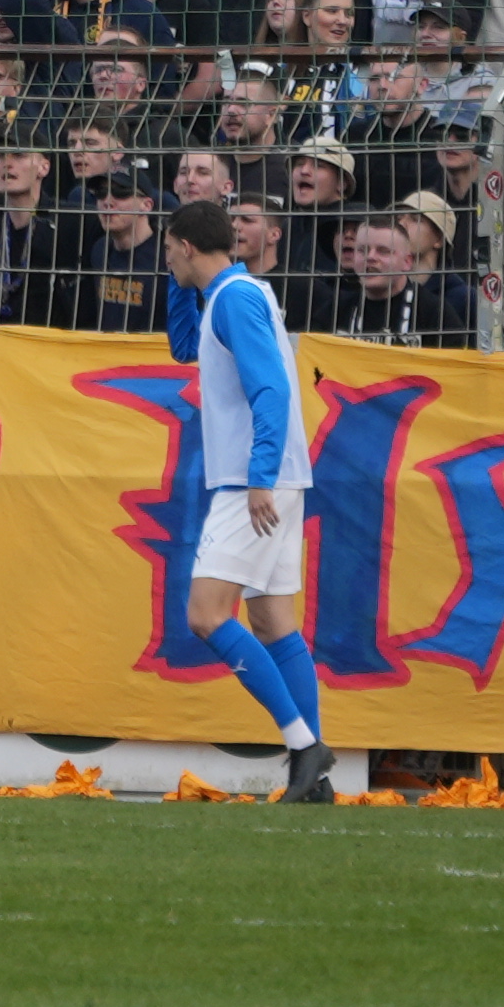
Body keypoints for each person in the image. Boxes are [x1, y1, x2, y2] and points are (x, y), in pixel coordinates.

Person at [168, 197, 330, 803]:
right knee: (272, 621)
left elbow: (270, 391)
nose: (167, 259)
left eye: (169, 250)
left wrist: (258, 476)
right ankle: (314, 776)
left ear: (186, 246)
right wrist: (178, 282)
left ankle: (303, 745)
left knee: (207, 615)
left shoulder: (234, 300)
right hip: (280, 478)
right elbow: (183, 347)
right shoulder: (236, 294)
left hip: (253, 482)